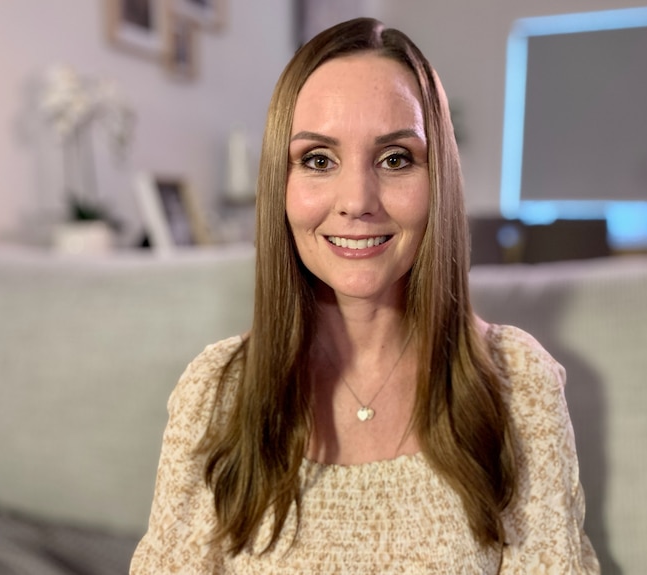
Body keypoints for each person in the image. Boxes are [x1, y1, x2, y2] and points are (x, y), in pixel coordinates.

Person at [130, 17, 598, 574]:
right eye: (318, 160)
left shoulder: (520, 387)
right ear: (281, 186)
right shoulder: (216, 393)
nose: (357, 200)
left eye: (395, 158)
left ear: (439, 181)